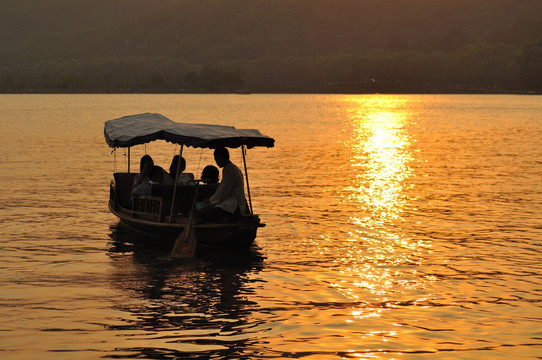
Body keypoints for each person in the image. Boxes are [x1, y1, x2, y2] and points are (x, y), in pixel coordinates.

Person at [198, 148, 248, 222]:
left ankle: (227, 220)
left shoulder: (230, 169)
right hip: (229, 203)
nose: (216, 161)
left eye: (216, 159)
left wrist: (210, 201)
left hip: (233, 205)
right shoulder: (230, 168)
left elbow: (223, 190)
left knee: (205, 214)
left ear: (220, 157)